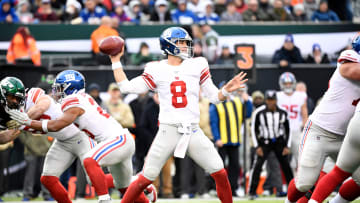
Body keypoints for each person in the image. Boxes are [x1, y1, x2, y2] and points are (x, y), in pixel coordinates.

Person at [110, 26, 248, 203]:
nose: (185, 46)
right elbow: (126, 87)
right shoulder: (156, 68)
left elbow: (214, 97)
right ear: (169, 46)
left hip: (193, 130)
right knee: (146, 177)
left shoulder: (198, 64)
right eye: (181, 43)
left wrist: (226, 91)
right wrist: (115, 61)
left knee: (220, 171)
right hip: (169, 129)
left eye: (186, 42)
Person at [7, 70, 156, 203]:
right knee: (121, 186)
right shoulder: (76, 99)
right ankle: (138, 183)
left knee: (91, 166)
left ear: (71, 88)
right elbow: (10, 134)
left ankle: (107, 198)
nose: (56, 92)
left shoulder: (72, 101)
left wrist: (26, 120)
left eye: (60, 88)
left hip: (110, 139)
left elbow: (56, 123)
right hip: (103, 139)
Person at [285, 35, 360, 203]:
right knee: (305, 183)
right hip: (320, 130)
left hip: (345, 137)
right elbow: (353, 71)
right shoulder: (350, 57)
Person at [209, 82, 252, 197]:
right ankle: (216, 188)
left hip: (234, 140)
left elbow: (247, 115)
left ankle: (233, 188)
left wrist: (247, 101)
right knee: (219, 166)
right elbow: (213, 123)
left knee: (235, 166)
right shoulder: (216, 104)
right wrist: (217, 138)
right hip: (222, 141)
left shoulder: (237, 102)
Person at [249, 90, 293, 200]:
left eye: (272, 100)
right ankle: (252, 192)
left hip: (279, 142)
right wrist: (257, 146)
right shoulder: (259, 113)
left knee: (286, 167)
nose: (270, 103)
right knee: (257, 166)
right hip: (265, 143)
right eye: (268, 100)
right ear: (266, 101)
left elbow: (288, 130)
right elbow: (254, 130)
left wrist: (287, 146)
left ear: (276, 100)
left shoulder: (283, 112)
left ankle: (293, 191)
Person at [277, 72, 308, 170]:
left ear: (293, 83)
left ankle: (301, 181)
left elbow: (304, 115)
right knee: (277, 158)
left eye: (290, 83)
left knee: (301, 158)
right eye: (285, 84)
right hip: (280, 132)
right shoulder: (277, 96)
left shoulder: (300, 96)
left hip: (295, 130)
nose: (288, 85)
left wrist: (305, 129)